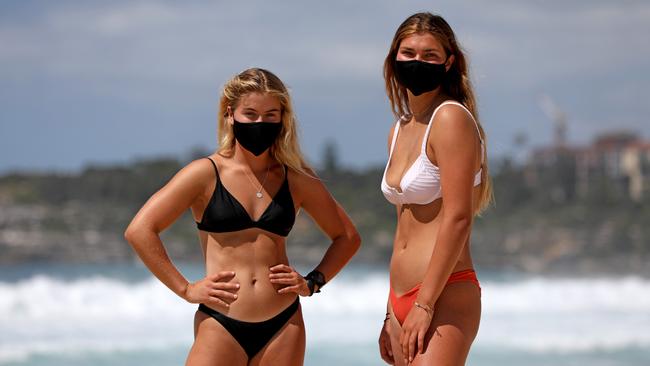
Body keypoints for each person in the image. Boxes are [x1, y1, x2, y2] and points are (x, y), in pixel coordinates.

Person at [124, 68, 360, 366]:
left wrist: (312, 283)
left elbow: (347, 237)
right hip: (221, 321)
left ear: (282, 118)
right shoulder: (204, 174)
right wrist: (186, 289)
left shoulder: (297, 178)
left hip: (284, 323)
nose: (260, 122)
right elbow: (140, 230)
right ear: (230, 113)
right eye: (250, 114)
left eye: (271, 115)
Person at [377, 12, 493, 366]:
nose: (417, 62)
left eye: (429, 56)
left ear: (448, 63)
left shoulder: (451, 118)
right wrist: (389, 312)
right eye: (408, 53)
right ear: (394, 57)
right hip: (400, 300)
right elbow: (404, 229)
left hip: (444, 294)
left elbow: (458, 218)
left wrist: (424, 305)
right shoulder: (399, 130)